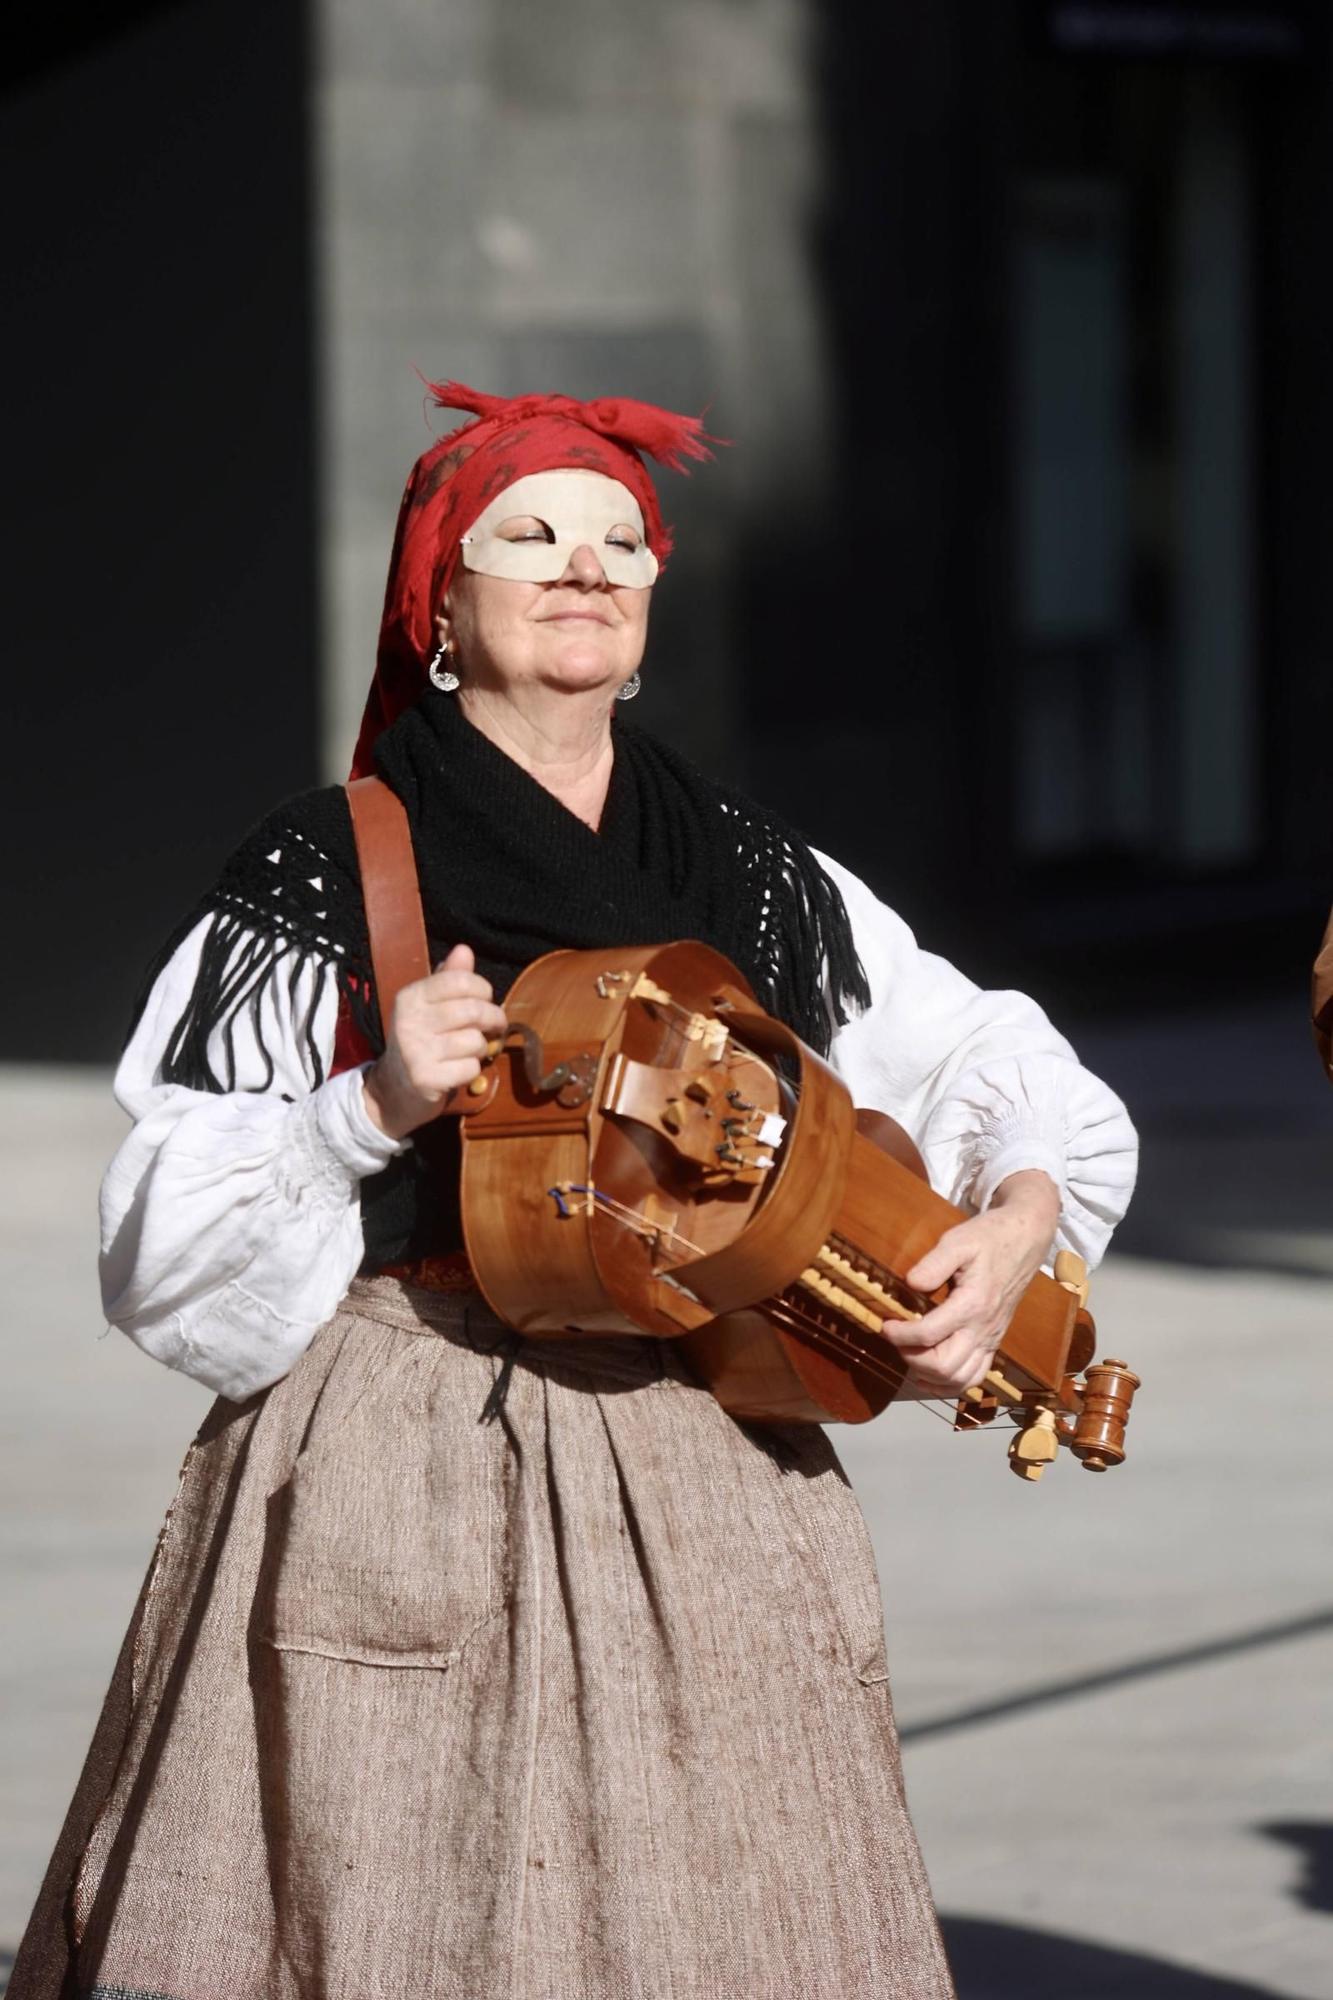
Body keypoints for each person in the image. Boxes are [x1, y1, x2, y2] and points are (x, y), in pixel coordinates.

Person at [10, 383, 1137, 2000]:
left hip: (707, 1472)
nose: (583, 569)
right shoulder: (329, 867)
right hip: (401, 1449)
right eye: (528, 537)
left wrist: (1020, 1210)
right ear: (440, 603)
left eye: (622, 542)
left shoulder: (749, 867)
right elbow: (162, 1248)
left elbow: (979, 1060)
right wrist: (368, 1106)